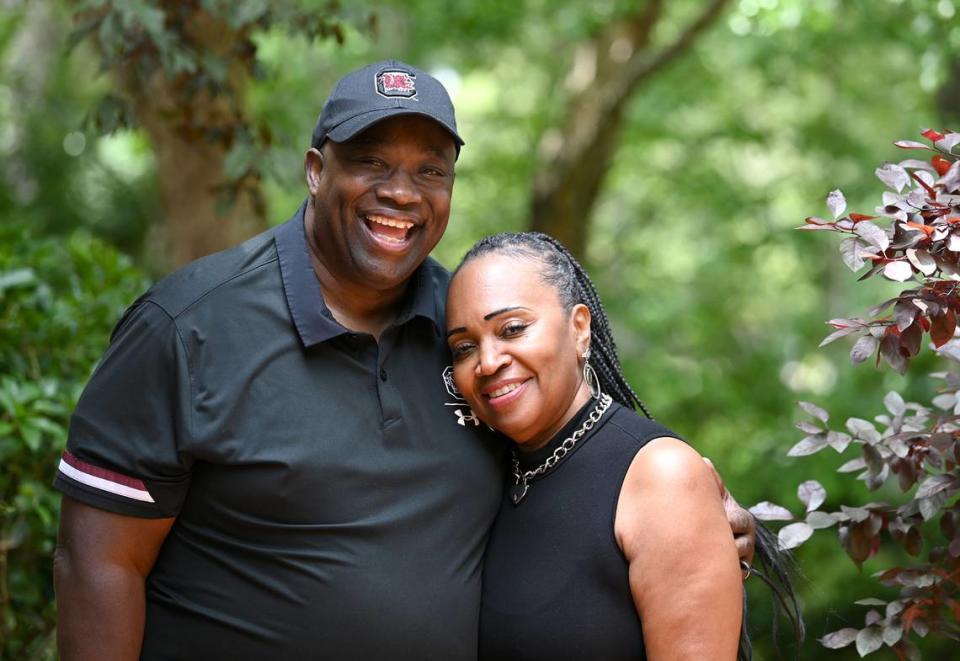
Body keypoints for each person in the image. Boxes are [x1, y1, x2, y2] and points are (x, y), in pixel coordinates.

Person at [53, 60, 756, 660]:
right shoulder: (187, 327)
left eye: (430, 169)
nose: (401, 191)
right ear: (314, 170)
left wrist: (686, 502)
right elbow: (99, 562)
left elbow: (572, 452)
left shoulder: (466, 333)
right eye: (372, 162)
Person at [445, 231, 799, 660]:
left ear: (579, 328)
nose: (487, 361)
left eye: (513, 329)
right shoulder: (486, 473)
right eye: (464, 348)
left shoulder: (661, 475)